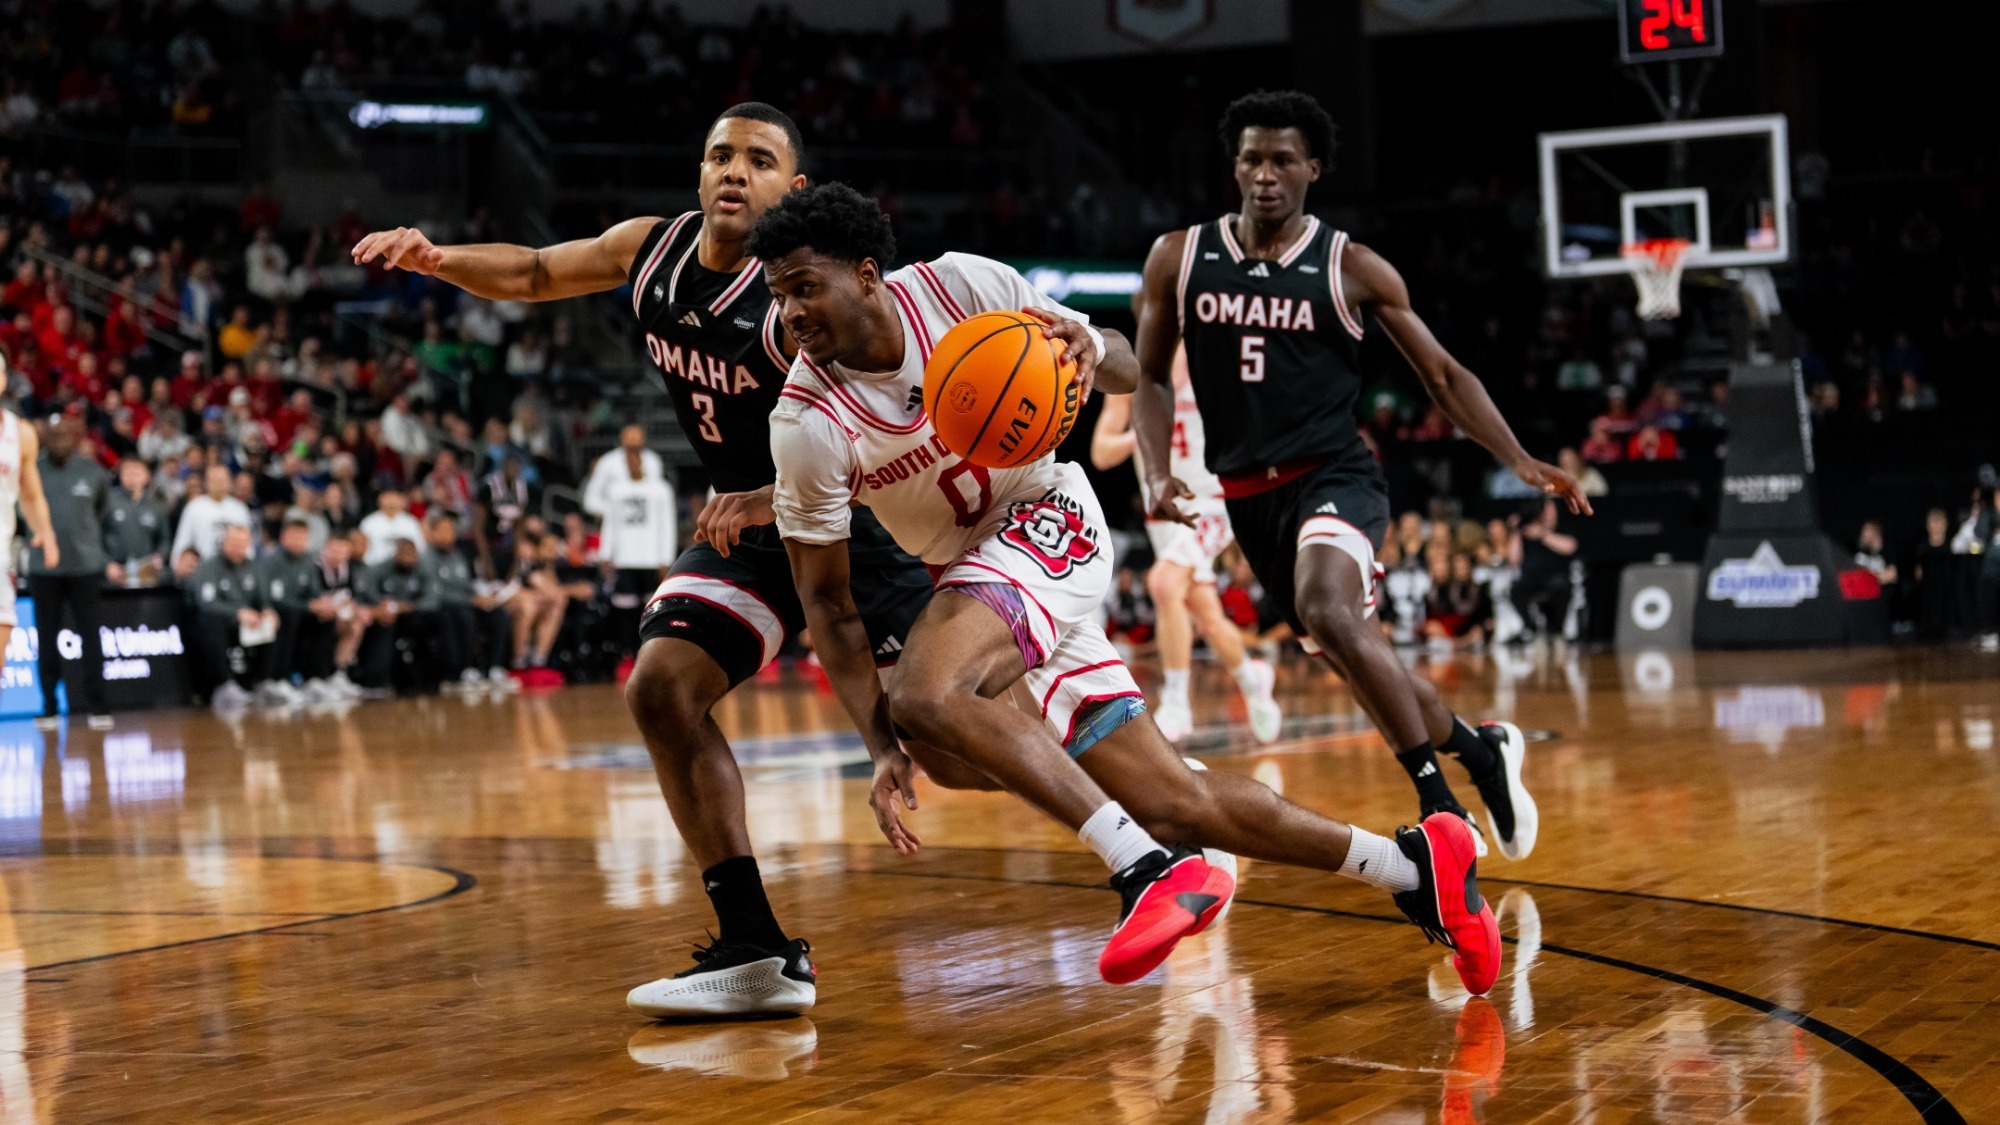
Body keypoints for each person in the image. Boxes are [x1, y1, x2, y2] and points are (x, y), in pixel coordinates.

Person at [755, 183, 1500, 998]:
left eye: (803, 286)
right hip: (974, 574)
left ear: (866, 274)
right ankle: (1412, 865)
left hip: (1048, 517)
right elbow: (827, 604)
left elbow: (1120, 364)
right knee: (1170, 797)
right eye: (777, 294)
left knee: (930, 690)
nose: (789, 312)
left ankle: (1144, 869)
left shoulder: (959, 289)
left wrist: (1083, 343)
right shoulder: (805, 423)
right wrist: (880, 749)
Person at [354, 104, 935, 1018]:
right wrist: (437, 258)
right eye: (717, 155)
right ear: (698, 173)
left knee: (950, 735)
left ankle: (1140, 833)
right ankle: (754, 948)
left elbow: (895, 425)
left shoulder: (798, 300)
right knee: (659, 686)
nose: (733, 170)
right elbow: (540, 270)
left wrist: (792, 492)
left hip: (854, 519)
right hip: (749, 532)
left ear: (796, 190)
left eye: (757, 158)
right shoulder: (650, 252)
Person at [1132, 90, 1578, 861]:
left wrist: (1517, 458)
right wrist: (1155, 469)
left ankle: (1439, 805)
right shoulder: (1180, 256)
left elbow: (1442, 373)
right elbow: (1147, 375)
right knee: (1360, 656)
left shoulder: (1352, 268)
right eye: (1250, 159)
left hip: (1335, 474)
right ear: (1233, 166)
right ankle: (1481, 751)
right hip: (1248, 497)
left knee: (1328, 608)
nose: (1264, 174)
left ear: (1314, 167)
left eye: (1281, 159)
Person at [1092, 345, 1282, 744]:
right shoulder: (1132, 379)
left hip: (1209, 507)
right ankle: (1252, 677)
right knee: (1207, 618)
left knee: (1162, 583)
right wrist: (1143, 430)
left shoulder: (1215, 372)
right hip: (1163, 517)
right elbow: (1102, 453)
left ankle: (1176, 702)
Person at [26, 416, 113, 729]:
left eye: (65, 434)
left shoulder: (92, 471)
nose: (60, 439)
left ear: (75, 437)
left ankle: (98, 706)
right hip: (43, 568)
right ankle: (48, 706)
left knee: (91, 637)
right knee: (46, 639)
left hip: (84, 567)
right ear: (45, 437)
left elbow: (101, 510)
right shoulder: (31, 469)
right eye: (54, 434)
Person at [584, 430, 679, 656]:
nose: (633, 462)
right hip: (625, 557)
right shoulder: (616, 490)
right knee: (624, 607)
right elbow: (610, 524)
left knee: (652, 606)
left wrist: (666, 558)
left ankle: (651, 651)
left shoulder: (660, 490)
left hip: (651, 557)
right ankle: (628, 652)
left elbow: (667, 525)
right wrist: (606, 554)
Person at [191, 523, 280, 711]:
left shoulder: (255, 567)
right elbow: (205, 603)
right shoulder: (209, 567)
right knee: (209, 619)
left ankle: (265, 681)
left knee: (276, 618)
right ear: (223, 542)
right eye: (233, 542)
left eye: (242, 543)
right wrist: (238, 613)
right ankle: (224, 684)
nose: (237, 547)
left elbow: (263, 600)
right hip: (222, 625)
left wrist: (267, 611)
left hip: (249, 626)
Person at [257, 517, 323, 705]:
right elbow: (272, 598)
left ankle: (316, 678)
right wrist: (307, 606)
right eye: (295, 537)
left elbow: (313, 593)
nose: (299, 542)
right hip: (274, 612)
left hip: (301, 611)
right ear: (284, 537)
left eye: (303, 538)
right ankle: (278, 679)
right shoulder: (270, 561)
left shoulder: (309, 561)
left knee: (326, 617)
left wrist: (322, 605)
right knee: (286, 615)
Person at [356, 537, 432, 691]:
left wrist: (407, 606)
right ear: (395, 554)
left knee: (433, 620)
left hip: (411, 615)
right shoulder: (380, 568)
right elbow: (368, 592)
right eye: (404, 554)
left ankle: (427, 678)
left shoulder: (422, 569)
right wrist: (381, 604)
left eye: (412, 554)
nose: (408, 558)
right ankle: (376, 680)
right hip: (382, 614)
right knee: (385, 624)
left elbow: (432, 599)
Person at [1511, 500, 1578, 639]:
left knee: (1561, 587)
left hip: (1557, 579)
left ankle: (1557, 630)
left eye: (1552, 511)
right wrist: (1516, 531)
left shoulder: (1562, 528)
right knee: (1516, 589)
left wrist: (1542, 535)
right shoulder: (1526, 531)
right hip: (1532, 580)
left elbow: (1570, 547)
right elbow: (1513, 559)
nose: (1549, 515)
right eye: (1546, 512)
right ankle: (1530, 627)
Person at [103, 458, 171, 585]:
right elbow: (95, 536)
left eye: (137, 472)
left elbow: (164, 540)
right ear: (120, 475)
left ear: (147, 476)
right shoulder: (107, 502)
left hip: (146, 573)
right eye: (128, 472)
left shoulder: (157, 506)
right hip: (114, 572)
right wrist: (107, 563)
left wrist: (159, 557)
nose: (132, 476)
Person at [172, 464, 253, 560]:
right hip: (203, 566)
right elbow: (183, 541)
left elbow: (248, 545)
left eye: (223, 480)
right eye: (215, 480)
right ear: (206, 483)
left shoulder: (240, 509)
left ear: (230, 482)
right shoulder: (194, 507)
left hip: (234, 568)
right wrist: (177, 562)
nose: (219, 485)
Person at [357, 488, 425, 567]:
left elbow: (420, 548)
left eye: (394, 496)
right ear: (380, 499)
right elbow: (361, 550)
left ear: (401, 500)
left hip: (405, 569)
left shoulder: (410, 522)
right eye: (387, 496)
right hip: (374, 568)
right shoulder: (368, 523)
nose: (391, 500)